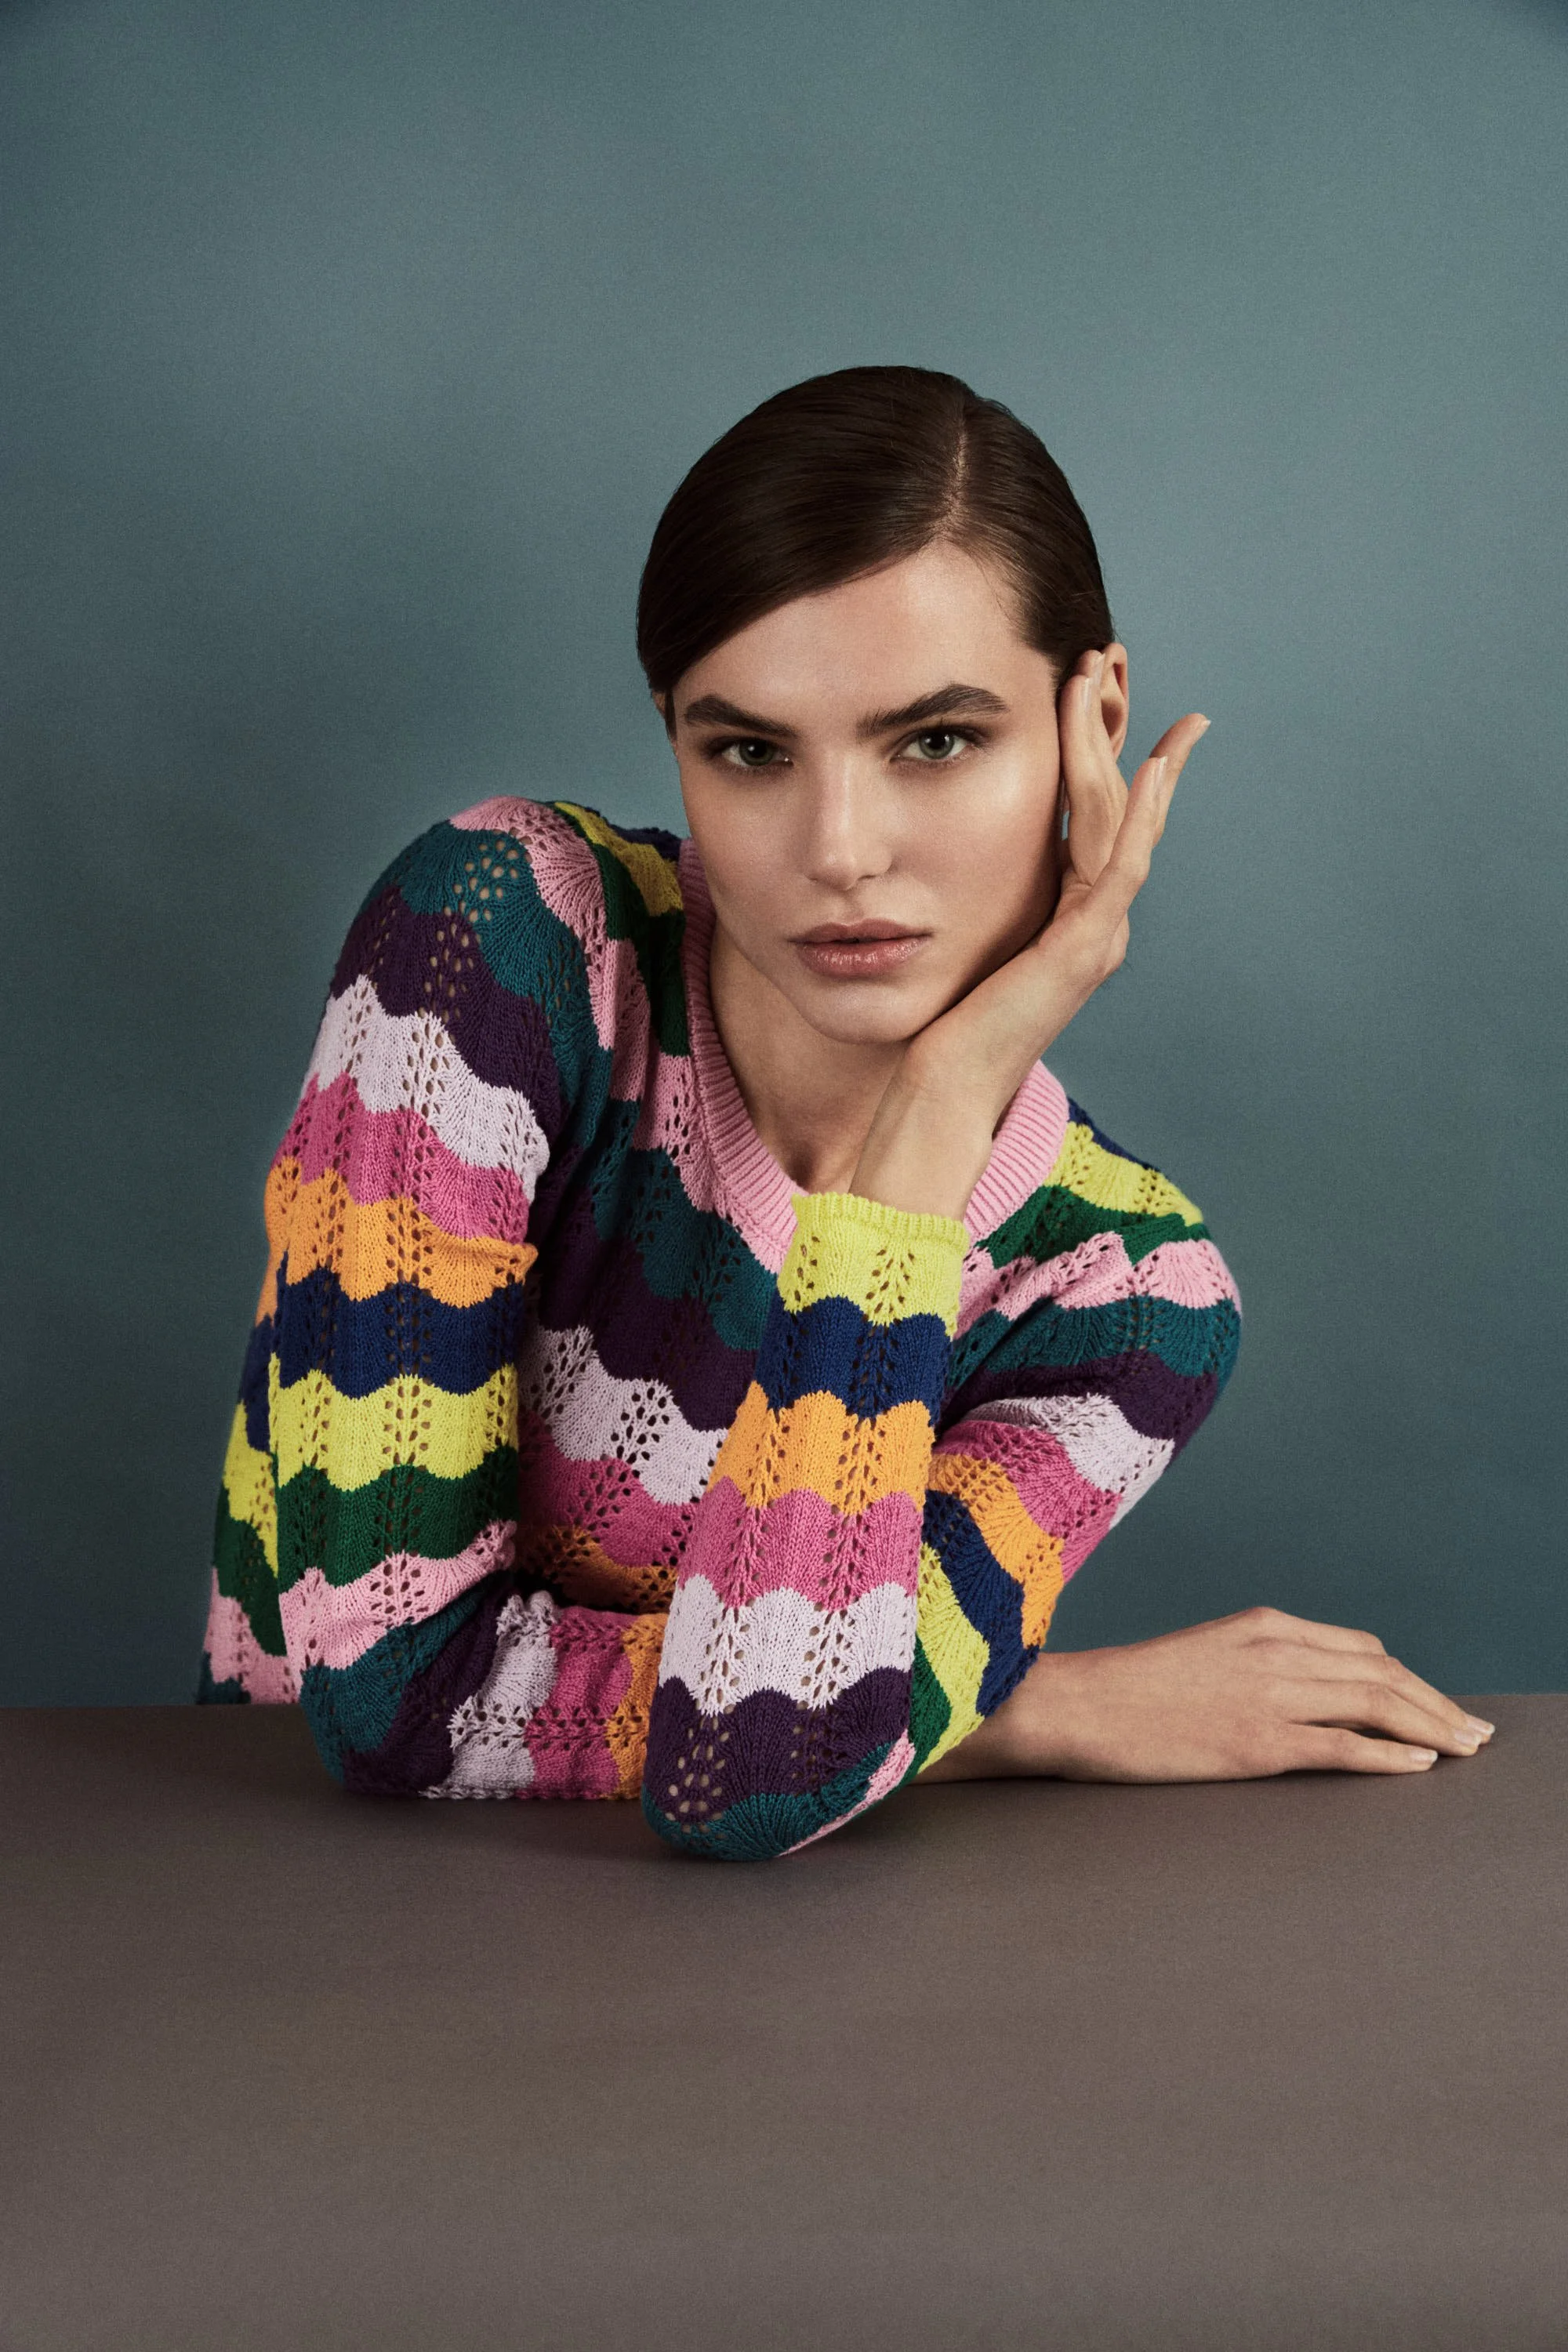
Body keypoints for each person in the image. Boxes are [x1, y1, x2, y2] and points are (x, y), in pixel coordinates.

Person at [196, 365, 1492, 1857]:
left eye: (937, 740)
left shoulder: (1127, 1296)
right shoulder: (501, 948)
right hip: (293, 1907)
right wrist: (1037, 1712)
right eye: (748, 751)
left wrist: (933, 1115)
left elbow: (751, 1785)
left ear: (1096, 721)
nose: (842, 852)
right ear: (675, 737)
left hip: (781, 2005)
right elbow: (388, 1698)